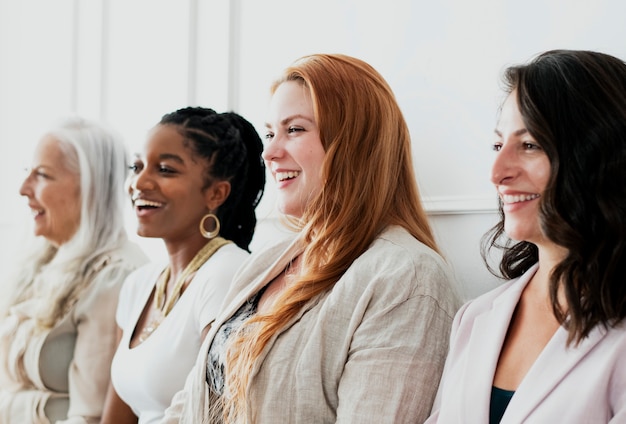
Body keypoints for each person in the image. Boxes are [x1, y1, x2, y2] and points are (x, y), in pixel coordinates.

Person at [161, 53, 461, 424]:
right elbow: (193, 402)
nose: (269, 152)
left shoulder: (406, 278)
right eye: (270, 133)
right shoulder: (264, 264)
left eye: (295, 130)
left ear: (354, 143)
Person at [426, 49, 626, 423]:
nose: (497, 172)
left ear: (596, 156)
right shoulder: (474, 318)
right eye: (498, 145)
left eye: (529, 144)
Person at [101, 107, 266, 424]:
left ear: (216, 193)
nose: (140, 182)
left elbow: (218, 413)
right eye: (136, 166)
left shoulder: (227, 274)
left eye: (165, 170)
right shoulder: (138, 284)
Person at [0, 117, 147, 423]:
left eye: (42, 175)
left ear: (91, 188)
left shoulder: (114, 276)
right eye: (27, 171)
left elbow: (90, 417)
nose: (23, 189)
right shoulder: (41, 261)